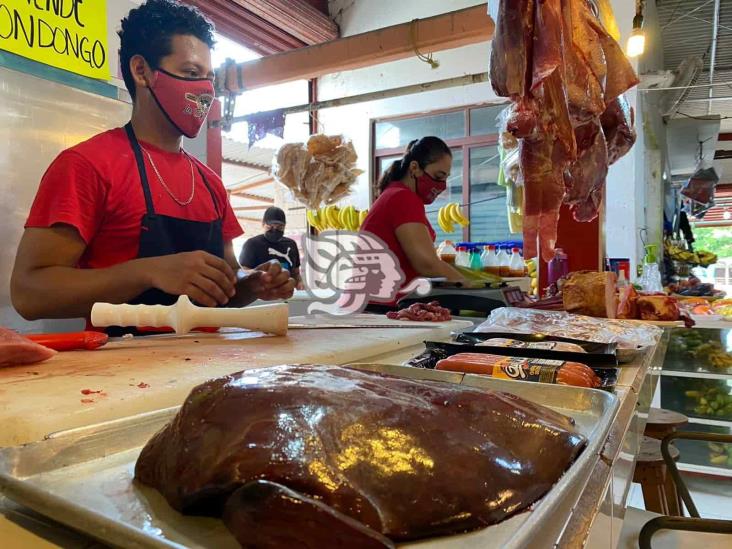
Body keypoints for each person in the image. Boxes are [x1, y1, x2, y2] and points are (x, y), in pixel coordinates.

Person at [10, 0, 294, 324]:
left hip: (208, 367)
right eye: (190, 73)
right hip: (122, 370)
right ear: (141, 71)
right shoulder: (86, 165)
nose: (205, 90)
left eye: (208, 78)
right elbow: (28, 292)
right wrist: (149, 272)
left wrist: (252, 283)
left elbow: (225, 285)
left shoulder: (209, 183)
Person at [360, 137, 464, 294]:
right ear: (415, 168)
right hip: (385, 308)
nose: (442, 186)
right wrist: (471, 284)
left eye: (445, 179)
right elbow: (427, 264)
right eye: (438, 176)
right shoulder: (402, 198)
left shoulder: (394, 194)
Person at [239, 207, 303, 290]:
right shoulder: (252, 245)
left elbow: (295, 273)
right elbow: (243, 273)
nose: (274, 231)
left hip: (286, 294)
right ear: (263, 224)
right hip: (261, 297)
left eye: (280, 227)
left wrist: (300, 283)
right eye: (270, 227)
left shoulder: (291, 244)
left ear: (285, 226)